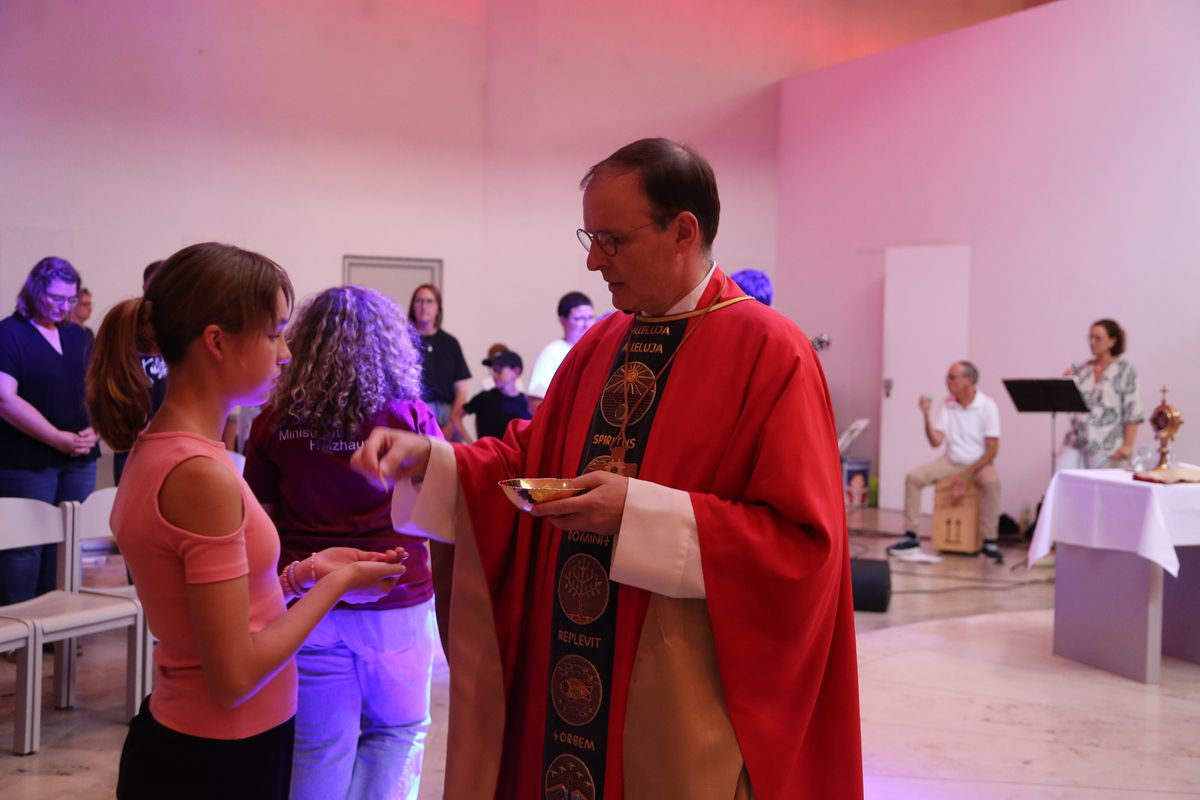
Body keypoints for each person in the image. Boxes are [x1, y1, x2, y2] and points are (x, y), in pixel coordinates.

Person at [353, 138, 862, 799]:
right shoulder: (601, 343)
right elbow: (530, 459)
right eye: (588, 237)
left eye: (612, 240)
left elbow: (803, 548)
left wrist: (640, 514)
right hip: (568, 670)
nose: (593, 261)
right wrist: (438, 461)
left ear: (684, 230)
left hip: (679, 691)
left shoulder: (771, 353)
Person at [85, 243, 407, 799]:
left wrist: (299, 576)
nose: (286, 353)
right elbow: (233, 675)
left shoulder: (169, 449)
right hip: (218, 752)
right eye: (273, 333)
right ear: (217, 341)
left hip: (214, 740)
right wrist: (336, 587)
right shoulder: (197, 474)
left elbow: (215, 617)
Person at [244, 285, 442, 800]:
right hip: (393, 594)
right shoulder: (408, 416)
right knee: (396, 731)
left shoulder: (272, 420)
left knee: (317, 745)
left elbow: (260, 518)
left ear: (303, 343)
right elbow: (441, 500)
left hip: (308, 597)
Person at [0, 256, 100, 606]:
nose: (64, 307)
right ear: (35, 291)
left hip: (81, 456)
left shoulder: (79, 335)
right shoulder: (9, 333)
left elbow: (100, 387)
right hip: (27, 461)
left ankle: (57, 627)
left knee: (68, 542)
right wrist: (56, 437)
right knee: (24, 547)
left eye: (70, 300)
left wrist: (96, 430)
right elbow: (4, 398)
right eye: (56, 298)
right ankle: (18, 630)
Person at [886, 361, 1003, 564]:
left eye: (952, 377)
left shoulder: (987, 406)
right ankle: (911, 536)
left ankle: (989, 541)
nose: (946, 381)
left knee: (992, 483)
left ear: (968, 380)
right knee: (914, 477)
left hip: (979, 463)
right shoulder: (947, 404)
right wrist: (926, 415)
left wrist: (967, 475)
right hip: (951, 461)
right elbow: (936, 441)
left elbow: (992, 450)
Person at [112, 261, 169, 484]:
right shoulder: (128, 325)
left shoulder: (179, 326)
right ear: (145, 288)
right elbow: (114, 379)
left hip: (168, 432)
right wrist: (129, 423)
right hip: (133, 435)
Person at [1061, 318, 1144, 469]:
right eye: (1090, 337)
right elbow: (1068, 402)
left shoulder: (1125, 370)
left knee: (1098, 489)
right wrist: (1065, 384)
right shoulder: (1083, 369)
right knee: (1063, 478)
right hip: (1077, 441)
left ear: (1112, 341)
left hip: (1107, 443)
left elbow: (1133, 410)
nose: (1092, 342)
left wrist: (1128, 445)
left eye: (1097, 338)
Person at [408, 283, 470, 441]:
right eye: (419, 301)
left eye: (429, 301)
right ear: (412, 306)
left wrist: (453, 422)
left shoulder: (450, 343)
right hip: (414, 413)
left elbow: (461, 389)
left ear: (438, 308)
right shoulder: (403, 340)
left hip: (448, 414)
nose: (424, 306)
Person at [527, 291, 595, 413]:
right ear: (563, 321)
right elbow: (535, 402)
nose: (586, 324)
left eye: (590, 318)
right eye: (579, 318)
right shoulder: (552, 353)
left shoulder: (599, 350)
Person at [458, 349, 531, 441]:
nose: (494, 375)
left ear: (515, 372)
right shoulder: (485, 397)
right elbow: (456, 416)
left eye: (499, 370)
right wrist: (469, 441)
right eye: (494, 370)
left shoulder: (526, 402)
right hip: (488, 453)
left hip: (514, 454)